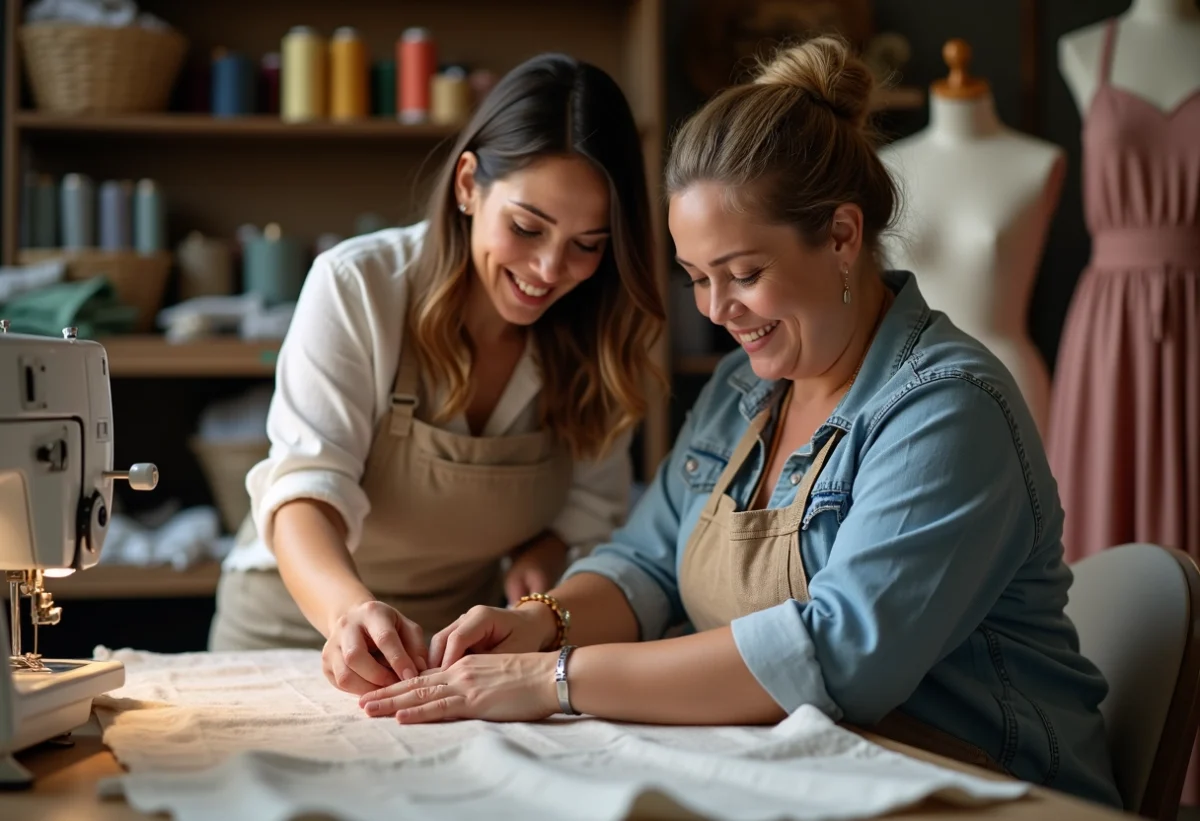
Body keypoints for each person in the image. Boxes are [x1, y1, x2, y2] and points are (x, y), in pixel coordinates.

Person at [353, 36, 1122, 808]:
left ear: (843, 237)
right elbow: (649, 563)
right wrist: (539, 623)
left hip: (987, 788)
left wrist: (553, 679)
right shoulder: (742, 391)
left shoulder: (947, 410)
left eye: (743, 274)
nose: (717, 311)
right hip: (827, 775)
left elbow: (838, 654)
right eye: (696, 277)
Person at [207, 53, 665, 700]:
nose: (548, 268)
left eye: (587, 244)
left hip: (459, 653)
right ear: (468, 184)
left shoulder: (603, 331)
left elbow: (586, 510)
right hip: (288, 635)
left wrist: (539, 576)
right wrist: (346, 616)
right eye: (527, 227)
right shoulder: (359, 286)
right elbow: (305, 489)